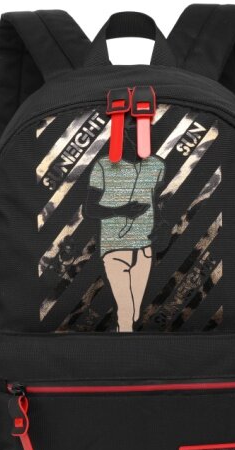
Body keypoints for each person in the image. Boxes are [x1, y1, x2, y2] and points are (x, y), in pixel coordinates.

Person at [84, 128, 166, 332]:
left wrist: (160, 225)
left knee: (135, 313)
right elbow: (89, 209)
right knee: (126, 312)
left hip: (145, 248)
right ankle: (123, 350)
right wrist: (120, 211)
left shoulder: (156, 166)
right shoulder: (103, 165)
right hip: (115, 249)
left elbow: (154, 201)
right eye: (129, 133)